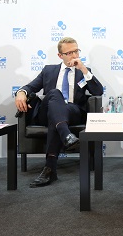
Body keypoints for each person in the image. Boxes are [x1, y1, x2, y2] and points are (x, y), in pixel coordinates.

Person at [15, 37, 103, 188]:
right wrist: (21, 92)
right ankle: (65, 134)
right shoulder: (49, 70)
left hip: (72, 111)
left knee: (56, 118)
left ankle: (50, 168)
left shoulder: (84, 71)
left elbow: (98, 91)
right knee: (55, 94)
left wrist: (83, 69)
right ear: (60, 55)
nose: (74, 55)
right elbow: (31, 87)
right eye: (69, 53)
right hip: (47, 112)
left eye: (76, 51)